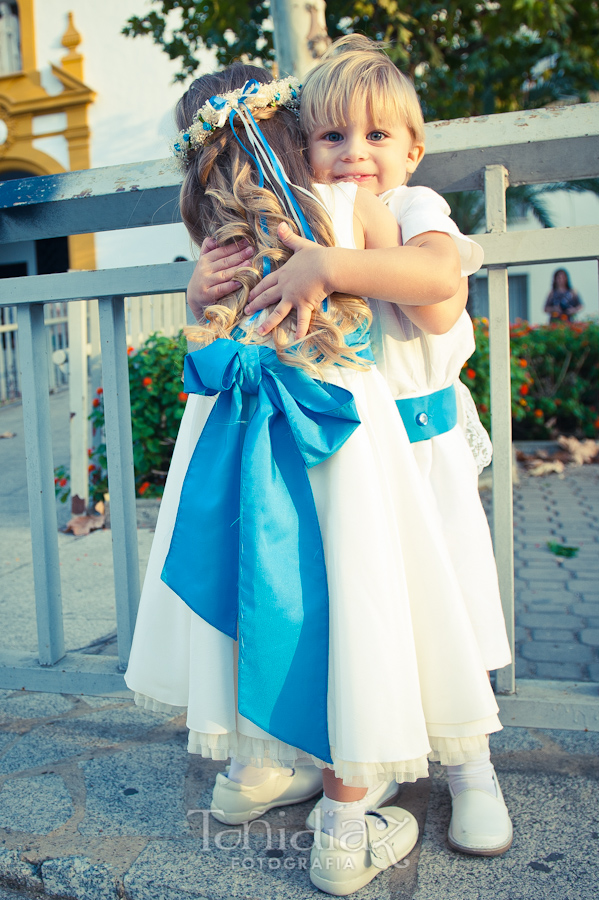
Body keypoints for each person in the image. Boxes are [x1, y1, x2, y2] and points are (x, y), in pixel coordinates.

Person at [125, 63, 506, 895]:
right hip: (347, 460)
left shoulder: (407, 210)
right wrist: (209, 293)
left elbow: (438, 288)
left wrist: (327, 265)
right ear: (297, 137)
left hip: (421, 456)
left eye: (374, 137)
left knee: (447, 616)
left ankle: (471, 767)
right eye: (329, 135)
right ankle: (306, 764)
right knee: (353, 616)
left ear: (411, 147)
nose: (350, 153)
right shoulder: (293, 222)